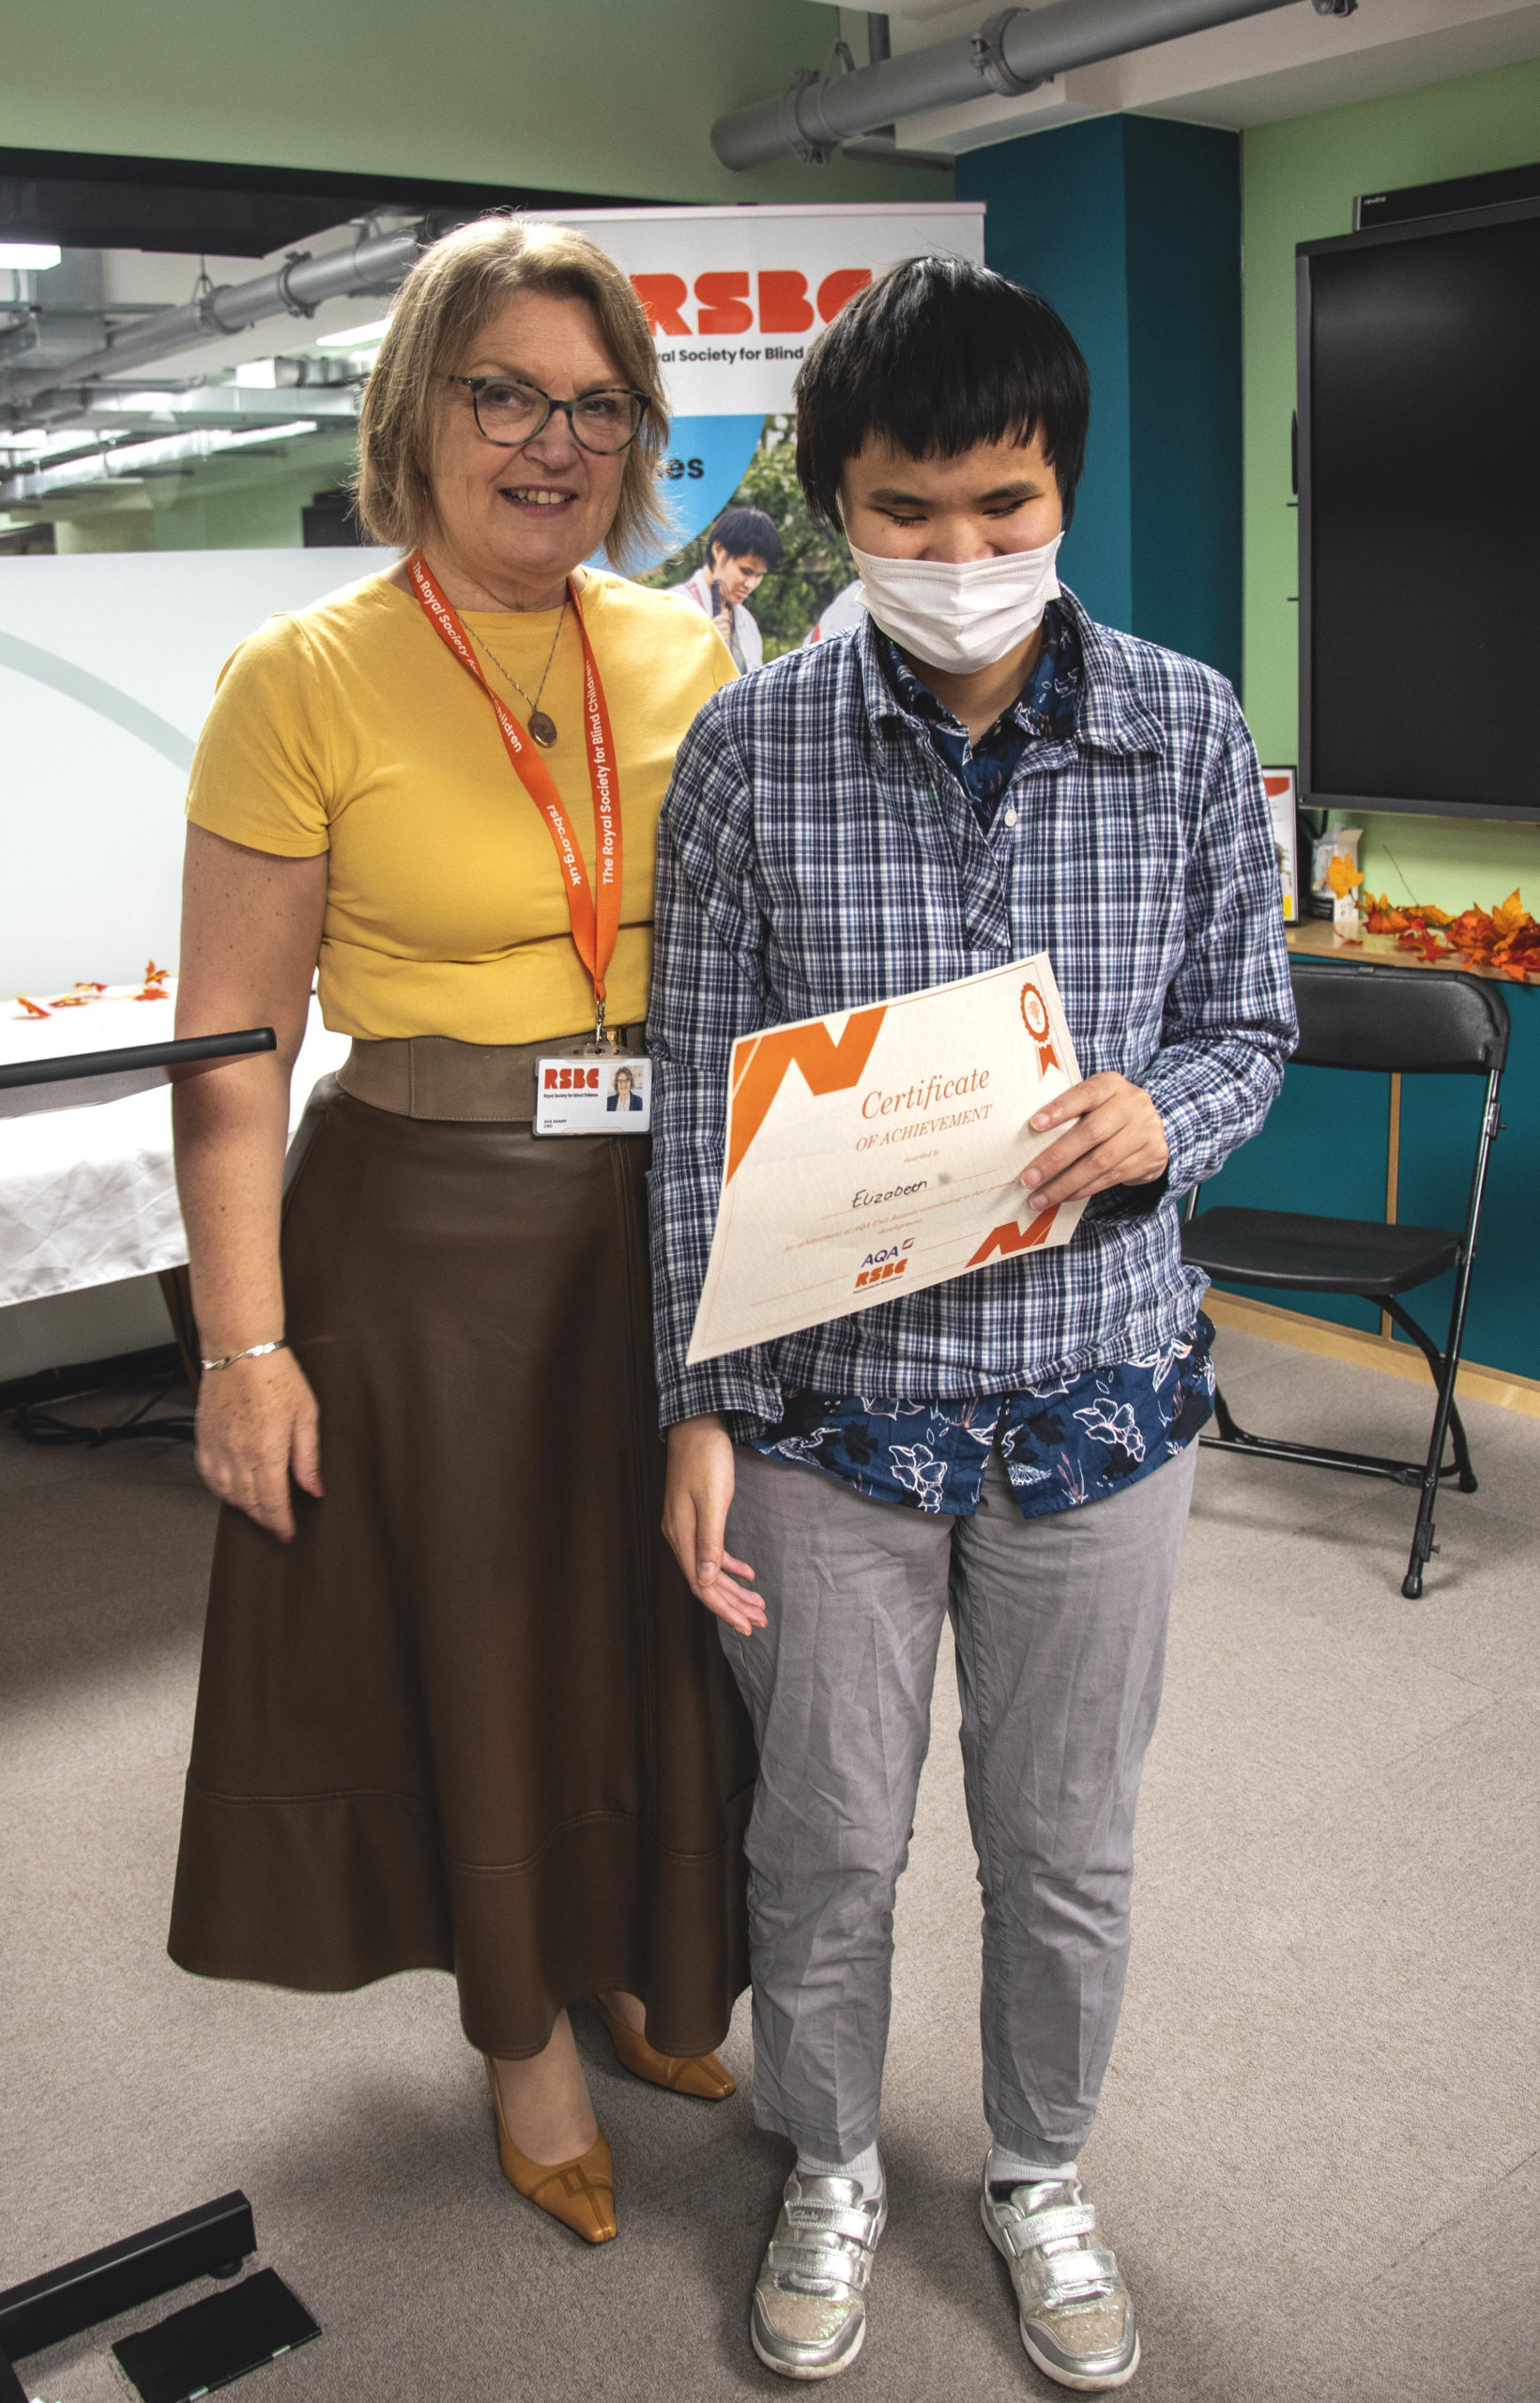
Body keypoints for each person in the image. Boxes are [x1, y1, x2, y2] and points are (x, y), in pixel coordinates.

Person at [648, 257, 1295, 2384]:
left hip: (1099, 1393)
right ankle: (829, 2153)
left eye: (1001, 504)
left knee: (1065, 1838)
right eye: (903, 510)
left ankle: (1037, 2165)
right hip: (831, 1414)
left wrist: (1163, 1115)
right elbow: (691, 1105)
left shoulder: (1184, 724)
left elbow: (1248, 1021)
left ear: (1062, 490)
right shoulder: (746, 752)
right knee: (826, 1832)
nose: (956, 552)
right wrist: (693, 1406)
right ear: (834, 506)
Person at [167, 215, 755, 2252]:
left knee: (651, 1622)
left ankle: (636, 1962)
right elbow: (234, 1052)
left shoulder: (684, 653)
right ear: (418, 409)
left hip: (660, 1214)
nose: (553, 444)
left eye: (598, 407)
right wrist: (244, 1347)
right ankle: (522, 2037)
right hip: (421, 1238)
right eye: (505, 395)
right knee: (487, 1643)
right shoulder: (302, 675)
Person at [668, 504, 782, 671]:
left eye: (759, 575)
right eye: (746, 571)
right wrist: (704, 648)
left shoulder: (746, 620)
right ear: (718, 550)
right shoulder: (675, 606)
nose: (750, 584)